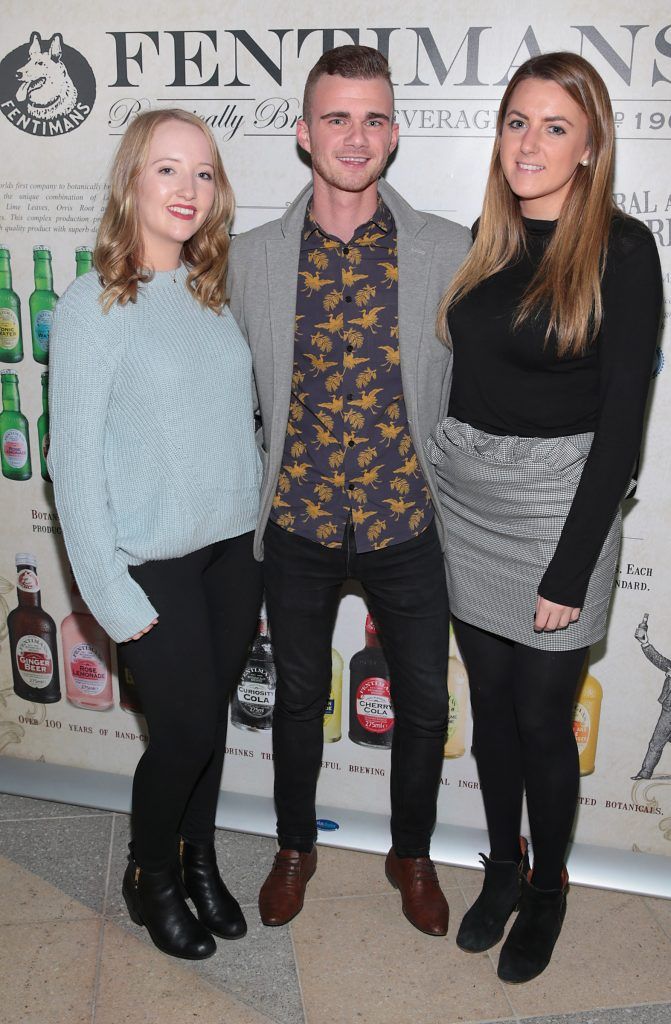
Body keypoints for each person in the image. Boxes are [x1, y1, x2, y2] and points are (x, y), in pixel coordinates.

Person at [428, 52, 662, 982]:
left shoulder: (622, 248)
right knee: (488, 714)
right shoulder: (483, 240)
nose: (528, 143)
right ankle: (504, 867)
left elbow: (620, 429)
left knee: (539, 716)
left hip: (562, 508)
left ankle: (551, 885)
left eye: (553, 126)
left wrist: (569, 570)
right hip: (468, 498)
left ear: (591, 144)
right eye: (516, 121)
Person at [228, 45, 470, 935]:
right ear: (304, 132)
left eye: (372, 118)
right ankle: (295, 844)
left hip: (409, 519)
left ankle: (411, 854)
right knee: (295, 695)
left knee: (427, 703)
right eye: (336, 117)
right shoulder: (249, 257)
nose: (354, 135)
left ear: (395, 133)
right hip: (293, 518)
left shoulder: (448, 249)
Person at [48, 109, 263, 960]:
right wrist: (105, 589)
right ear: (131, 180)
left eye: (203, 174)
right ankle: (152, 874)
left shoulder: (211, 295)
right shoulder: (94, 305)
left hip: (228, 551)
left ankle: (199, 857)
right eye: (167, 170)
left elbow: (228, 427)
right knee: (183, 733)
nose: (186, 190)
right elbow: (70, 460)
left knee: (207, 722)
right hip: (152, 563)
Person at [632, 614, 671, 780]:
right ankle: (645, 773)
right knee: (656, 743)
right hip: (668, 710)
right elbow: (659, 661)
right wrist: (645, 642)